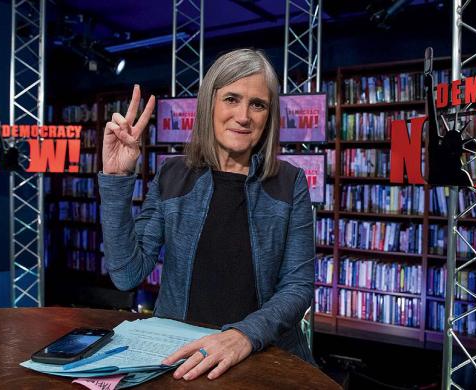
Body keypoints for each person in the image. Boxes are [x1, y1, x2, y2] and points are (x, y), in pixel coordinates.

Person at [98, 48, 315, 381]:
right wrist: (115, 179)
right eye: (231, 98)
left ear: (269, 116)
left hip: (262, 356)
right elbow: (127, 273)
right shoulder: (172, 174)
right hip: (179, 359)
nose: (244, 116)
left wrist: (244, 336)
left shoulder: (290, 182)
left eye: (257, 104)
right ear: (208, 104)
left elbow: (297, 287)